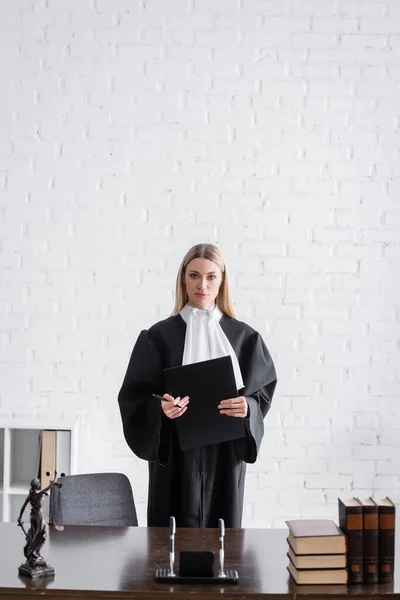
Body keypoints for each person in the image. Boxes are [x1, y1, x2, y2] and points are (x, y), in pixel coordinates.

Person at [118, 243, 277, 528]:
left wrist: (248, 407)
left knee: (223, 539)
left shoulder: (245, 338)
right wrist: (160, 408)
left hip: (225, 457)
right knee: (170, 541)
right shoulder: (158, 337)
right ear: (183, 279)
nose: (202, 285)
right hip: (176, 456)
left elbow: (261, 395)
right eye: (194, 275)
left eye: (211, 277)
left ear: (222, 280)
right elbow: (134, 397)